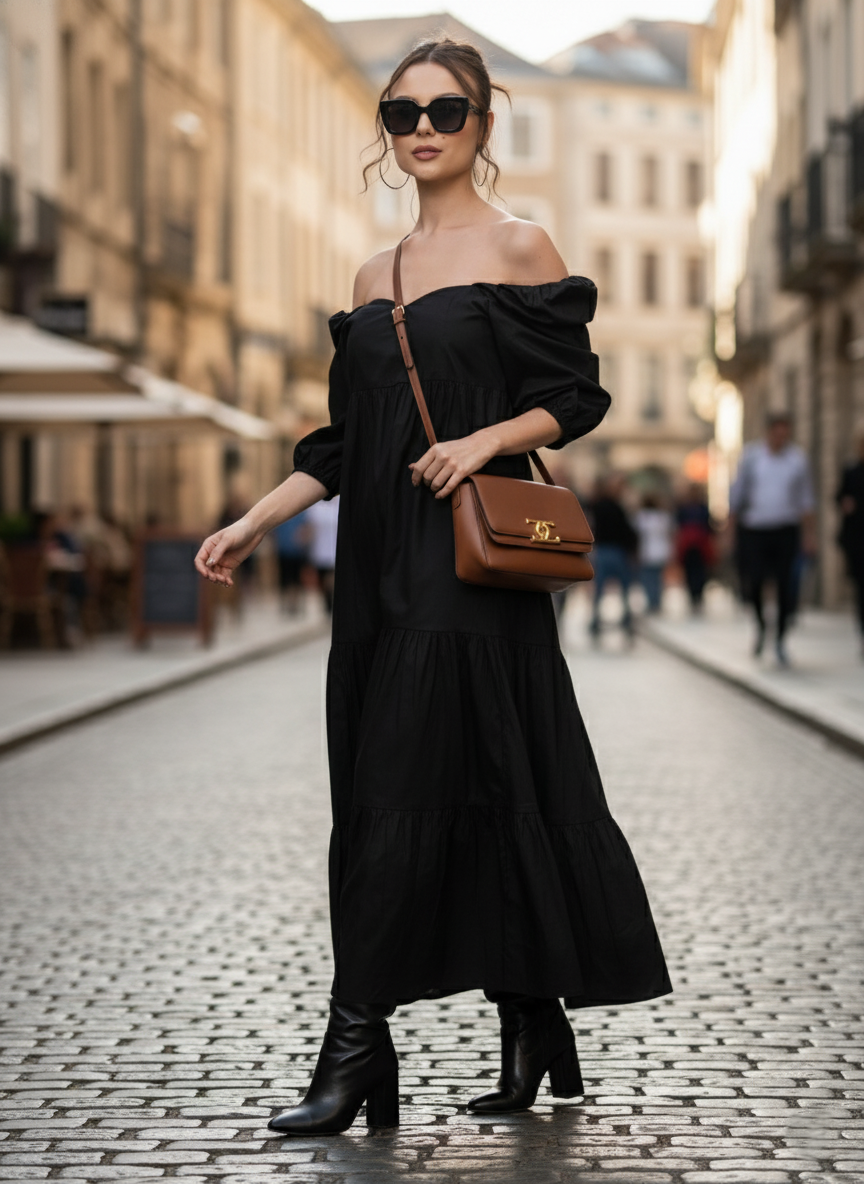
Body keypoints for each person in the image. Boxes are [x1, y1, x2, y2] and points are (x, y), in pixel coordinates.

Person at [195, 37, 670, 1138]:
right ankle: (531, 1022)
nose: (421, 127)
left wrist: (481, 439)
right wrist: (252, 520)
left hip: (472, 572)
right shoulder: (377, 275)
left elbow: (576, 396)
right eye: (401, 110)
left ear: (482, 123)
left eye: (445, 110)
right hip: (378, 578)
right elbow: (343, 442)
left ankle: (356, 1046)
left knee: (434, 784)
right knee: (397, 790)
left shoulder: (519, 244)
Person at [730, 412, 816, 665]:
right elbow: (737, 494)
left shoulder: (797, 460)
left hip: (786, 529)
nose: (781, 437)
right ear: (769, 432)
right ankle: (760, 626)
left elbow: (806, 500)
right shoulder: (752, 457)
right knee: (754, 581)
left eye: (785, 432)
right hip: (755, 529)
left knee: (786, 584)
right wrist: (730, 531)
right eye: (777, 432)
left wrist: (809, 534)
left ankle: (779, 639)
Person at [587, 474, 638, 640]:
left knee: (603, 588)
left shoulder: (599, 505)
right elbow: (627, 531)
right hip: (611, 550)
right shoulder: (614, 506)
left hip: (607, 550)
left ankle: (599, 619)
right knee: (619, 587)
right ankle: (619, 619)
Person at [837, 432, 864, 656]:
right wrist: (845, 503)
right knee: (861, 590)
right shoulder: (852, 471)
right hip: (858, 540)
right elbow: (838, 496)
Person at [675, 484, 714, 614]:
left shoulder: (695, 509)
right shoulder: (693, 509)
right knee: (695, 571)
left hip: (696, 545)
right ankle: (695, 595)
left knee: (696, 571)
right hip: (692, 545)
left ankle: (696, 595)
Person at [635, 493, 673, 614]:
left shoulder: (641, 517)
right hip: (660, 551)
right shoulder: (663, 517)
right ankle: (656, 601)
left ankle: (652, 601)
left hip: (646, 551)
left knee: (648, 579)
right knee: (657, 579)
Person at [273, 511, 310, 615]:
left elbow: (305, 528)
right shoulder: (280, 512)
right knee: (285, 579)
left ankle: (295, 603)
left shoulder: (301, 512)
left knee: (296, 579)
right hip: (283, 550)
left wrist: (303, 540)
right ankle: (288, 603)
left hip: (296, 551)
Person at [307, 496, 339, 615]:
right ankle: (327, 603)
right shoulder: (315, 507)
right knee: (322, 580)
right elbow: (310, 528)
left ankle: (332, 602)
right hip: (319, 551)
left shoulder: (339, 504)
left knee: (331, 578)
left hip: (334, 550)